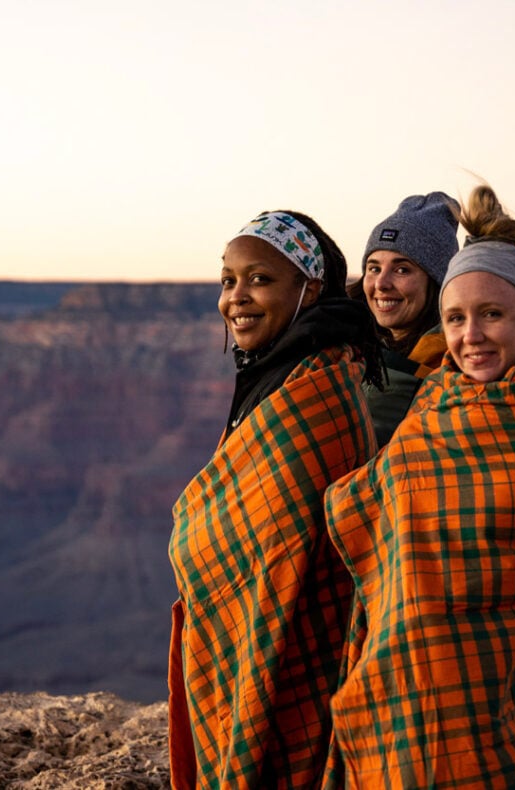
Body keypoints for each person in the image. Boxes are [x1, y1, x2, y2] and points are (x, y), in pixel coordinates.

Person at [323, 184, 515, 788]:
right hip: (401, 652)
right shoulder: (437, 398)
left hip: (493, 661)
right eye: (456, 319)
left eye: (492, 315)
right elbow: (375, 495)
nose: (471, 335)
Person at [167, 209, 382, 789]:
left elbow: (283, 552)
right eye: (228, 280)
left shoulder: (315, 394)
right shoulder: (278, 373)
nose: (236, 297)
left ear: (310, 289)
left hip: (294, 659)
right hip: (255, 641)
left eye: (259, 279)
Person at [349, 192, 460, 446]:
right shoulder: (343, 353)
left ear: (436, 283)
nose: (381, 283)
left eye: (402, 270)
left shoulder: (455, 370)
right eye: (374, 268)